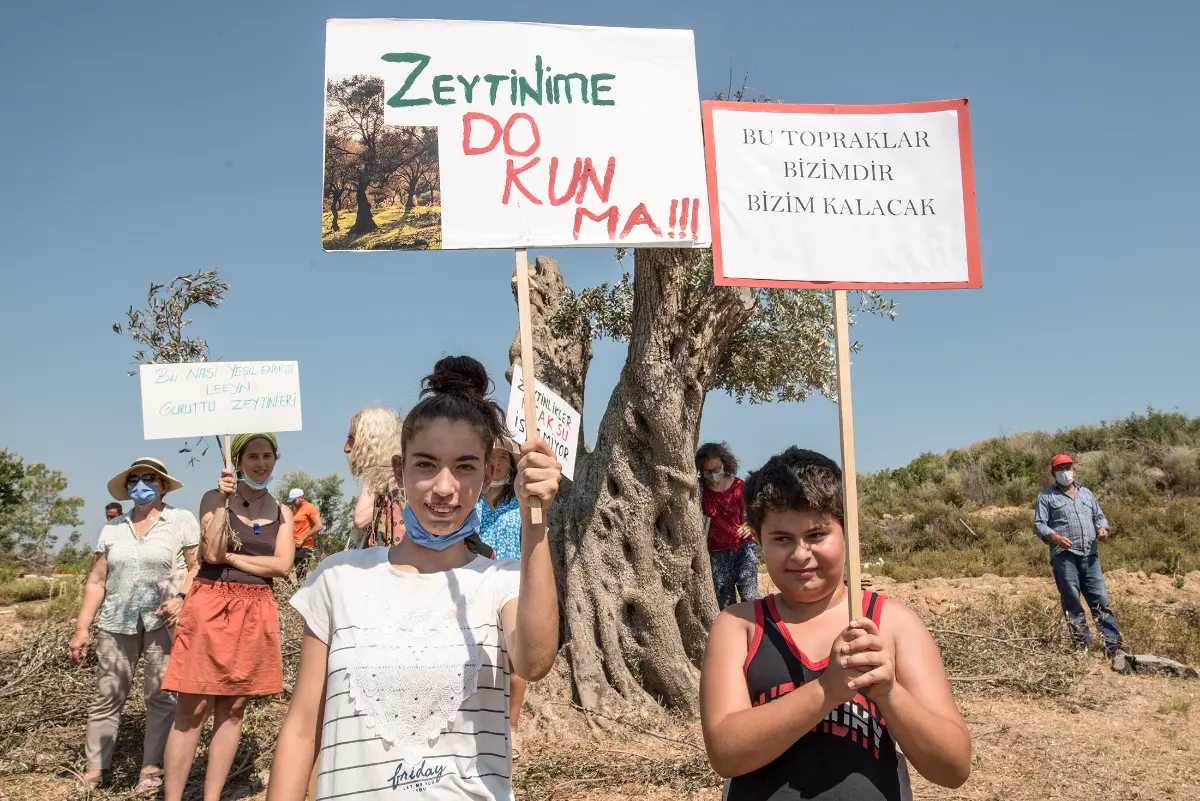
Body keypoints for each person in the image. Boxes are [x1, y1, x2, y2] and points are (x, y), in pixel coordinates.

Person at [267, 355, 562, 801]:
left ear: (488, 476)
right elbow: (301, 729)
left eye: (465, 467)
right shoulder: (337, 578)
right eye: (425, 464)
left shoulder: (502, 582)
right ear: (398, 471)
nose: (444, 487)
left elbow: (535, 661)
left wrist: (534, 522)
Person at [700, 447, 971, 800]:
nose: (800, 554)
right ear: (759, 542)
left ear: (848, 533)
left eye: (816, 535)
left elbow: (952, 768)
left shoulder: (891, 623)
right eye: (781, 538)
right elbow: (725, 753)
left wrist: (889, 692)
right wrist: (826, 690)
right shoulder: (739, 626)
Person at [162, 433, 294, 801]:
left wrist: (235, 559)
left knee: (234, 708)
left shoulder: (282, 510)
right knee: (193, 707)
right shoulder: (212, 498)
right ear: (238, 461)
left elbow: (282, 565)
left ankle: (211, 797)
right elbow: (213, 550)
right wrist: (222, 501)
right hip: (210, 603)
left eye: (267, 456)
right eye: (252, 456)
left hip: (257, 606)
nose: (260, 463)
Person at [69, 458, 200, 794]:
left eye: (150, 479)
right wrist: (82, 628)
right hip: (117, 621)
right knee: (107, 695)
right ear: (127, 489)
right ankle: (96, 769)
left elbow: (195, 565)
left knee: (160, 695)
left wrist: (182, 597)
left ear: (164, 486)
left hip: (163, 621)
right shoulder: (112, 529)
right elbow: (97, 581)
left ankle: (150, 768)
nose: (141, 485)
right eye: (135, 480)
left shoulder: (180, 520)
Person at [1034, 453, 1124, 658]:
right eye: (1060, 468)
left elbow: (1099, 516)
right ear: (1053, 472)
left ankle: (1114, 646)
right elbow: (1040, 524)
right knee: (1072, 601)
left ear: (1074, 469)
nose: (1065, 472)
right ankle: (1080, 646)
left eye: (1068, 467)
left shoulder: (1087, 493)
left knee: (1100, 599)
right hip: (1064, 556)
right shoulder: (1046, 496)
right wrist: (1054, 537)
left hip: (1090, 555)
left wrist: (1102, 528)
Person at [476, 435, 528, 757]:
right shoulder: (469, 501)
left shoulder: (520, 502)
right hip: (477, 585)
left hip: (513, 585)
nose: (496, 465)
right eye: (490, 458)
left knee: (515, 657)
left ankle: (511, 726)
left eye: (503, 459)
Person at [696, 442, 761, 610]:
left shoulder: (739, 486)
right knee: (725, 603)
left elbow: (751, 516)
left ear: (724, 464)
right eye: (708, 471)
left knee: (749, 595)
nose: (713, 475)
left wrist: (748, 525)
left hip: (743, 549)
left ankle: (761, 630)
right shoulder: (699, 491)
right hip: (716, 554)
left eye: (716, 469)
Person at [345, 407, 407, 549]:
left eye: (352, 438)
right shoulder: (405, 478)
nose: (347, 448)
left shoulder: (395, 482)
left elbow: (360, 519)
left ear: (374, 440)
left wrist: (371, 484)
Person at [286, 488, 323, 580]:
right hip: (294, 545)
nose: (293, 503)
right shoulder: (295, 510)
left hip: (305, 546)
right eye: (291, 501)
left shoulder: (310, 508)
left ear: (301, 497)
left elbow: (319, 526)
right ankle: (292, 589)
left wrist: (303, 538)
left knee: (300, 575)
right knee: (282, 569)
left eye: (294, 500)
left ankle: (299, 591)